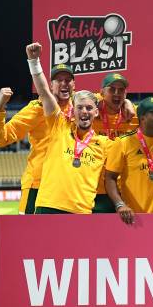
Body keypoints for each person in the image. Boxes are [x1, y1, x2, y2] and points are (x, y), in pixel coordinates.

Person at [24, 42, 112, 214]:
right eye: (79, 107)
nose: (84, 112)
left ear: (96, 112)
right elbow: (44, 92)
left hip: (81, 212)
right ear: (73, 111)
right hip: (48, 206)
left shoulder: (105, 144)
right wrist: (34, 61)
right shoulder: (59, 125)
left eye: (88, 108)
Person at [0, 64, 76, 214]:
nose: (64, 83)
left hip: (67, 185)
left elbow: (104, 97)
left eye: (68, 80)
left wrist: (127, 103)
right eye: (59, 80)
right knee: (30, 235)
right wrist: (0, 108)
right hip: (38, 184)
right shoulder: (36, 109)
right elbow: (0, 139)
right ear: (51, 85)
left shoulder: (80, 106)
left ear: (74, 84)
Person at [91, 72, 139, 213]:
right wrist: (96, 100)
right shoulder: (90, 111)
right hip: (94, 189)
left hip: (125, 191)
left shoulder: (134, 115)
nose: (117, 93)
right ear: (102, 92)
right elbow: (74, 97)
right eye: (112, 89)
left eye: (121, 90)